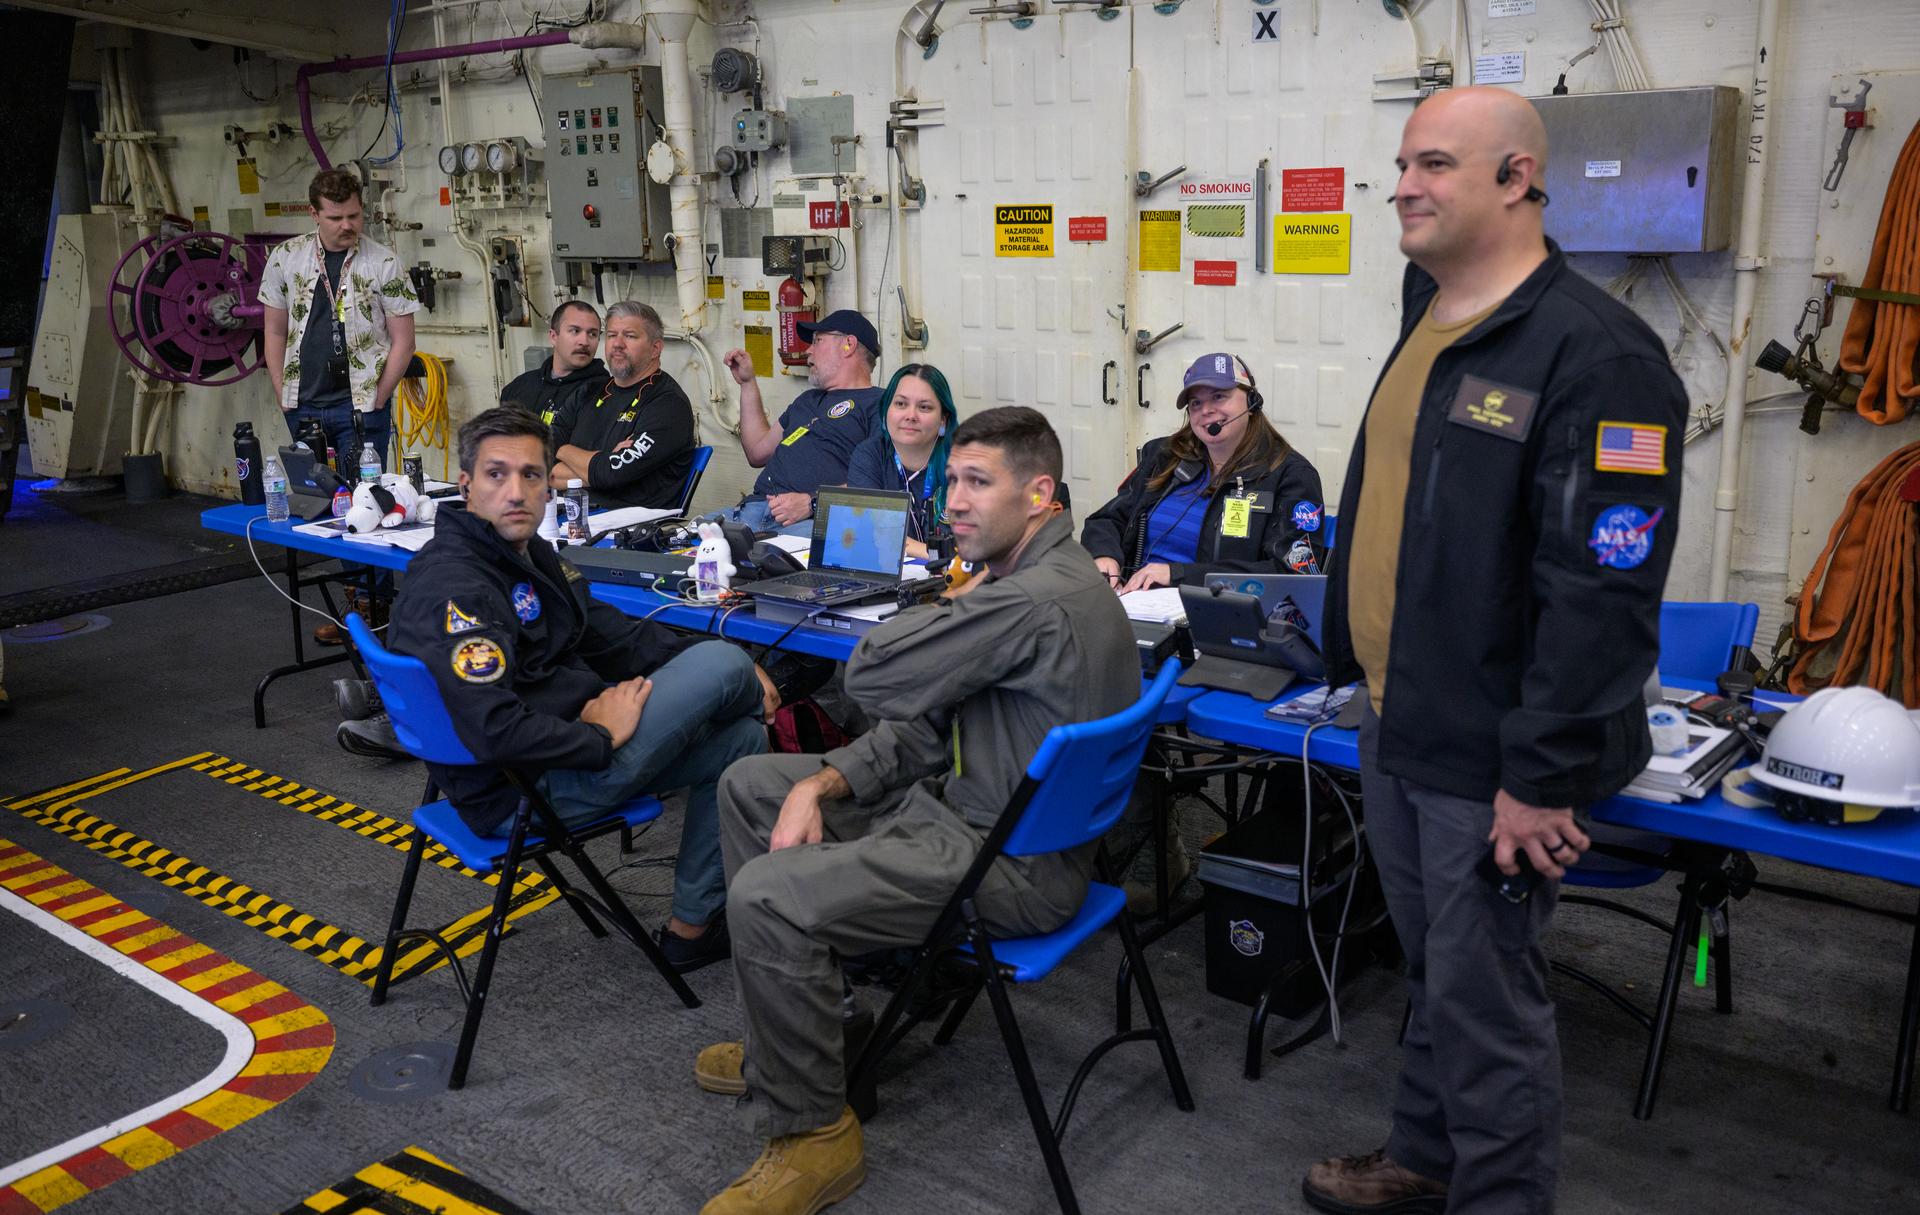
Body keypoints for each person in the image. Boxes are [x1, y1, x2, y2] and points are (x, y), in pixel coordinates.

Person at [1303, 87, 1685, 1215]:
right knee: (1437, 978)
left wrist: (1542, 775)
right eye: (1401, 164)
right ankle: (1427, 1158)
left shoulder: (1599, 354)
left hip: (1493, 760)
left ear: (1517, 177)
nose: (1403, 188)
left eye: (1433, 165)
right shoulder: (1430, 305)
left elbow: (1605, 590)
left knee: (1490, 1005)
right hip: (1397, 712)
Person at [695, 407, 1137, 1215]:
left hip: (1002, 858)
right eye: (953, 482)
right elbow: (936, 727)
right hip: (992, 821)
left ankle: (815, 1131)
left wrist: (939, 597)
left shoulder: (1020, 601)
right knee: (753, 785)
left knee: (767, 898)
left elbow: (869, 677)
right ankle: (811, 1035)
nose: (956, 502)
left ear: (1040, 494)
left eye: (978, 483)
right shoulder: (1051, 576)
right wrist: (824, 781)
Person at [387, 408, 781, 970]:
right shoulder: (458, 586)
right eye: (497, 475)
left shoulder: (524, 554)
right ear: (467, 484)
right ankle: (808, 798)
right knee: (723, 664)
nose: (517, 491)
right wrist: (598, 737)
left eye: (532, 475)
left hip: (556, 754)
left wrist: (711, 671)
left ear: (551, 483)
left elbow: (608, 634)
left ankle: (690, 932)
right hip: (526, 786)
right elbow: (492, 727)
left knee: (742, 743)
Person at [260, 167, 420, 645]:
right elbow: (272, 330)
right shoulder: (285, 258)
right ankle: (356, 605)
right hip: (303, 406)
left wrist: (379, 396)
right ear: (314, 214)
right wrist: (280, 391)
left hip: (360, 409)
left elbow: (403, 342)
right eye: (336, 218)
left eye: (354, 215)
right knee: (327, 506)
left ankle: (378, 611)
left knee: (371, 506)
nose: (348, 225)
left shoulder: (383, 263)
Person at [1082, 353, 1326, 593]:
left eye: (1218, 397)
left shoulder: (1290, 475)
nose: (1206, 410)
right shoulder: (1165, 455)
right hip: (1137, 602)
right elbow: (1107, 519)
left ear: (1252, 403)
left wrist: (1179, 575)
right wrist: (1104, 554)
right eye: (1196, 403)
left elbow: (1292, 573)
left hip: (1218, 614)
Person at [718, 309, 885, 532]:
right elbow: (757, 452)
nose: (808, 350)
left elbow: (880, 480)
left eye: (818, 341)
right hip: (752, 511)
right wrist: (747, 383)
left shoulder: (880, 403)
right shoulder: (807, 400)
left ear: (848, 345)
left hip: (810, 522)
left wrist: (812, 503)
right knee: (674, 546)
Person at [547, 301, 697, 510]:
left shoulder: (668, 405)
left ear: (655, 348)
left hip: (631, 531)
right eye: (611, 335)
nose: (617, 343)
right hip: (571, 516)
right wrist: (601, 462)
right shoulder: (588, 391)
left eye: (630, 336)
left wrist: (562, 452)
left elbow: (611, 472)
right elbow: (544, 464)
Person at [842, 362, 959, 560]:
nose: (910, 416)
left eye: (924, 407)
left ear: (943, 420)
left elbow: (972, 552)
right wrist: (930, 552)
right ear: (886, 410)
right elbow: (869, 537)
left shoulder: (963, 462)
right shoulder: (869, 455)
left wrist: (915, 548)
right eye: (901, 404)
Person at [500, 300, 606, 426]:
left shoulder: (603, 394)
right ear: (553, 336)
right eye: (575, 331)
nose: (584, 341)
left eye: (592, 334)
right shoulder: (520, 386)